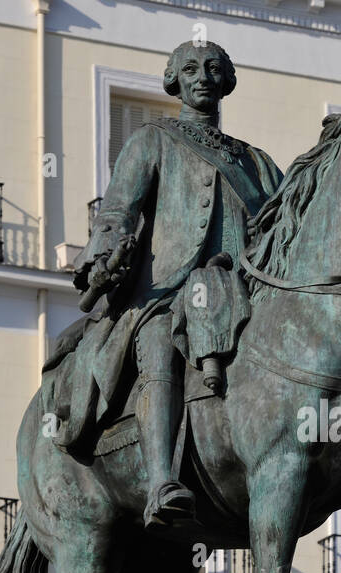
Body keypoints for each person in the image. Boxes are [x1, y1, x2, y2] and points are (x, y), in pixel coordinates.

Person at [46, 40, 283, 528]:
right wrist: (101, 259)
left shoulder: (256, 163)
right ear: (173, 80)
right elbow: (117, 211)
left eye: (214, 68)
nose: (203, 76)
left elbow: (286, 225)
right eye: (191, 68)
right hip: (169, 292)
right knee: (157, 344)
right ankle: (160, 481)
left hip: (244, 292)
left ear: (227, 81)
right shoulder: (152, 140)